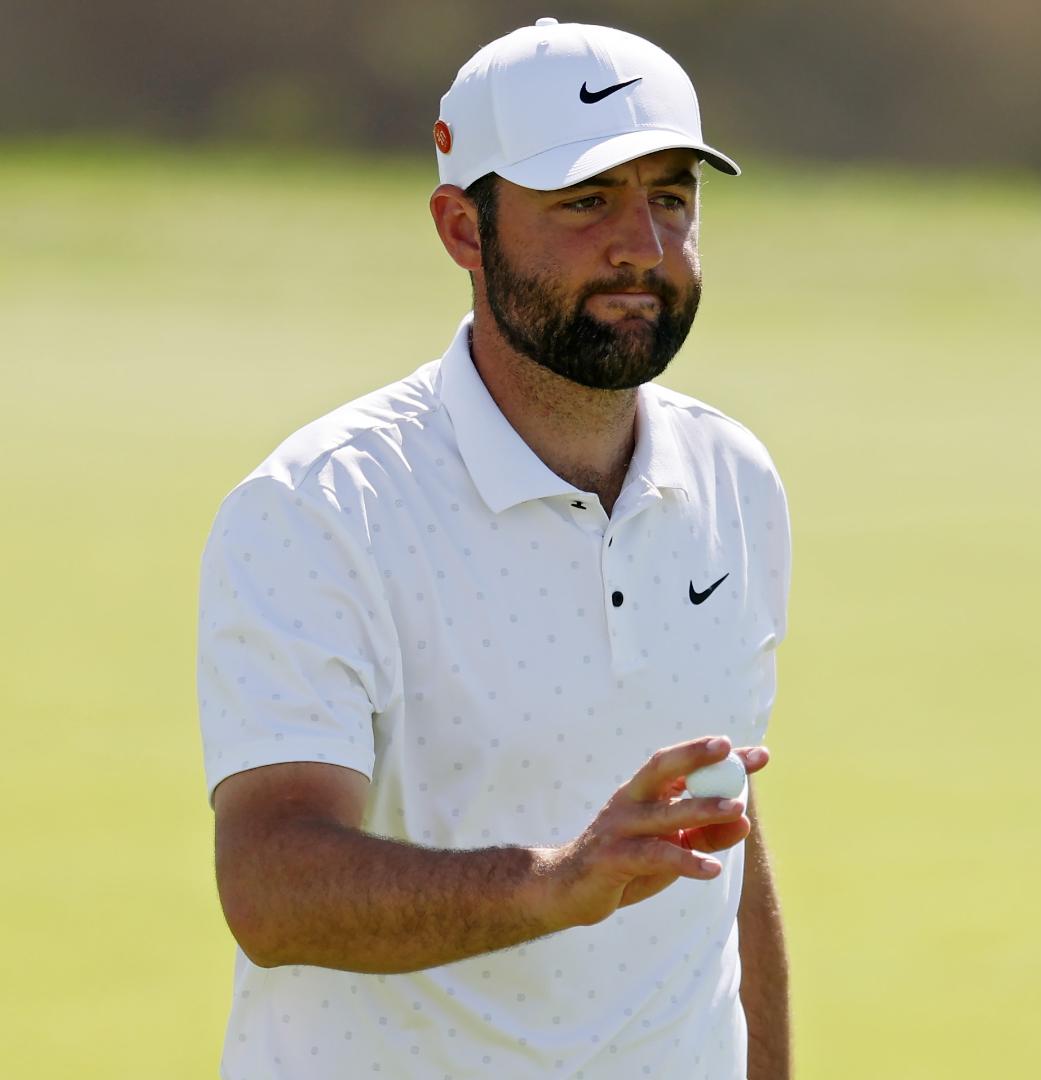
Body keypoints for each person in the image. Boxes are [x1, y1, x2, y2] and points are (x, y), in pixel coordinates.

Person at [195, 18, 791, 1079]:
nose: (642, 248)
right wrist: (554, 884)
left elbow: (724, 849)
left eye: (671, 197)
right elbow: (271, 889)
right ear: (462, 229)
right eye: (584, 201)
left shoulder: (733, 478)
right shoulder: (321, 505)